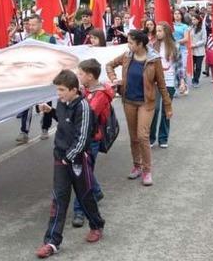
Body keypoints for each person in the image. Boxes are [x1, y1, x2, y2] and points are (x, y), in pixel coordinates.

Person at [34, 70, 105, 258]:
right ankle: (51, 242)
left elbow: (82, 138)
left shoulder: (84, 108)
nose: (59, 94)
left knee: (85, 196)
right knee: (59, 199)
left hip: (77, 160)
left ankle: (97, 225)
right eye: (57, 90)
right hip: (60, 158)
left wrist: (69, 157)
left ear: (74, 90)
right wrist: (52, 112)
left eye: (62, 90)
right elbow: (65, 122)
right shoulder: (62, 103)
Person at [105, 30, 172, 187]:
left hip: (146, 103)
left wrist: (168, 106)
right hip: (128, 101)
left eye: (130, 42)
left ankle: (147, 171)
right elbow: (109, 65)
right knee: (134, 137)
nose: (128, 45)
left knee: (142, 136)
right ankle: (137, 166)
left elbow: (162, 85)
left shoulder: (154, 60)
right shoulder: (127, 55)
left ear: (140, 44)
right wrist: (114, 79)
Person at [71, 59, 113, 228]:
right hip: (84, 138)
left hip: (91, 140)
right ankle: (96, 191)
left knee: (81, 175)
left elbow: (88, 114)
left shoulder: (100, 94)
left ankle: (79, 211)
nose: (78, 76)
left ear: (89, 76)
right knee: (84, 172)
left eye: (80, 74)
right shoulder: (87, 90)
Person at [16, 14, 57, 144]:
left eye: (34, 24)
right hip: (31, 78)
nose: (31, 27)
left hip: (46, 77)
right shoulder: (28, 39)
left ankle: (45, 128)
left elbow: (55, 57)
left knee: (46, 104)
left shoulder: (49, 38)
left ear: (40, 24)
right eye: (30, 24)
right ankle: (24, 131)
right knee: (27, 104)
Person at [150, 22, 182, 149]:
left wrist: (182, 81)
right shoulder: (152, 46)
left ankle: (163, 138)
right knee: (155, 109)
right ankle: (151, 137)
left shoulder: (175, 46)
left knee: (165, 110)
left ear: (166, 32)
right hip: (156, 82)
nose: (157, 33)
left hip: (170, 82)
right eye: (156, 31)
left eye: (159, 31)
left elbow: (179, 66)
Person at [172, 8, 191, 96]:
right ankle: (175, 88)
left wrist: (176, 42)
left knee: (182, 68)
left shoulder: (185, 26)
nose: (177, 15)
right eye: (175, 13)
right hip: (172, 49)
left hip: (182, 49)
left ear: (181, 16)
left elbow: (186, 39)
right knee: (174, 68)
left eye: (178, 14)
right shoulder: (171, 25)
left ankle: (184, 86)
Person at [190, 14, 207, 88]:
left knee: (198, 66)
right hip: (191, 50)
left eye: (195, 19)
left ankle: (196, 80)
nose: (193, 21)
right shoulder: (190, 28)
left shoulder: (202, 28)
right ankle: (193, 78)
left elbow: (204, 40)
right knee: (192, 66)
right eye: (192, 19)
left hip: (200, 51)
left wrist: (195, 44)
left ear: (198, 20)